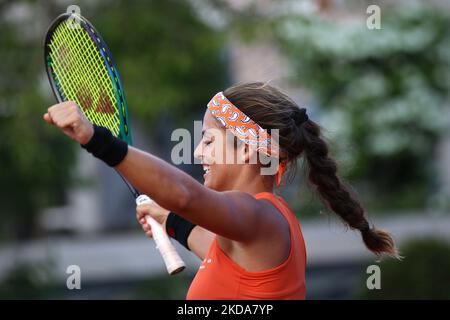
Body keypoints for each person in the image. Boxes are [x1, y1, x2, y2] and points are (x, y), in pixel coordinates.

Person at [43, 82, 398, 299]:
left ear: (246, 149)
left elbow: (185, 196)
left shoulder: (259, 215)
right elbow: (213, 246)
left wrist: (97, 140)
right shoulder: (256, 226)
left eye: (209, 141)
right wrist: (170, 222)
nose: (198, 153)